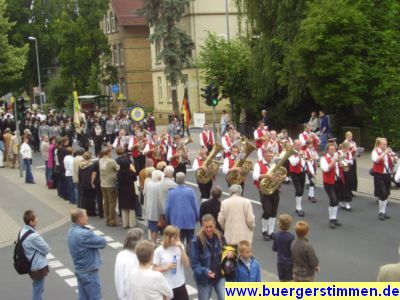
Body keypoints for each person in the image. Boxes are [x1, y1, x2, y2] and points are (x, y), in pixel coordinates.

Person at [67, 208, 107, 300]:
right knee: (95, 297)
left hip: (80, 269)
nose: (87, 217)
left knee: (83, 297)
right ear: (80, 219)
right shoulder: (84, 234)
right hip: (89, 270)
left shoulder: (71, 231)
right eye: (86, 216)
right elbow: (102, 242)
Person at [190, 214, 226, 300]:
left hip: (219, 276)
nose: (209, 229)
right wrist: (206, 272)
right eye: (206, 227)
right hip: (204, 279)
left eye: (211, 226)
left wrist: (229, 254)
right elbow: (195, 264)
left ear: (215, 225)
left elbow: (226, 253)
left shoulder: (220, 236)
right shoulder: (196, 240)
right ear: (202, 226)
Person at [153, 225, 190, 300]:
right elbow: (154, 269)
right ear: (168, 238)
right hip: (167, 286)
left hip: (180, 284)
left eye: (178, 237)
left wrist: (181, 249)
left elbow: (186, 263)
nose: (177, 239)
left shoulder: (180, 247)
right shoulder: (159, 251)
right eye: (175, 238)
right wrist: (167, 267)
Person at [20, 210, 50, 300]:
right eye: (35, 219)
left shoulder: (22, 231)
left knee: (37, 287)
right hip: (37, 266)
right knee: (38, 289)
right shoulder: (33, 236)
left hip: (30, 264)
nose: (37, 220)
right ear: (31, 222)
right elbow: (46, 249)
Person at [253, 148, 280, 241]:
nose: (270, 158)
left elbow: (278, 175)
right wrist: (266, 175)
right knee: (267, 211)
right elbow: (255, 176)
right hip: (264, 190)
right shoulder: (258, 164)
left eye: (271, 156)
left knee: (274, 211)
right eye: (268, 156)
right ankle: (264, 231)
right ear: (264, 155)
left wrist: (279, 178)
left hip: (275, 189)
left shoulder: (274, 164)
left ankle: (271, 231)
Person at [165, 172, 199, 245]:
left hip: (176, 220)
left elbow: (168, 208)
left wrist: (168, 219)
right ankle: (190, 255)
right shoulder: (190, 191)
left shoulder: (171, 192)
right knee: (191, 242)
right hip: (189, 220)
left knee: (178, 242)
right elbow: (195, 205)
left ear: (176, 180)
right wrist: (197, 217)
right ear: (184, 180)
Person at [114, 228, 144, 300]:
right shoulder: (132, 260)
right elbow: (129, 284)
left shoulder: (121, 254)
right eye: (142, 239)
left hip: (121, 294)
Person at [372, 137, 396, 220]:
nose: (385, 145)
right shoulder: (375, 151)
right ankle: (381, 212)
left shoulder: (388, 152)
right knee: (383, 193)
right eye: (384, 144)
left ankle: (383, 211)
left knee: (386, 194)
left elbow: (393, 161)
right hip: (379, 175)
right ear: (379, 144)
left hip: (387, 175)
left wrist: (394, 159)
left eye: (386, 144)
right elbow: (376, 160)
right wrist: (385, 153)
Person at [320, 143, 344, 229]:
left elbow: (339, 168)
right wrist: (334, 161)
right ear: (327, 150)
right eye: (331, 149)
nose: (333, 151)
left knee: (335, 200)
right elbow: (325, 169)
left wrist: (341, 165)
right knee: (333, 200)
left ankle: (334, 218)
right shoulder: (323, 158)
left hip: (337, 181)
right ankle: (331, 220)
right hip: (328, 182)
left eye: (334, 149)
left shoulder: (336, 157)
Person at [99, 146, 119, 226]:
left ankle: (107, 218)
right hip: (110, 183)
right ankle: (112, 220)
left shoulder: (100, 160)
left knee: (106, 201)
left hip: (103, 183)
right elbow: (118, 169)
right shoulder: (111, 161)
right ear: (108, 152)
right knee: (112, 202)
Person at [272, 214, 295, 281]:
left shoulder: (276, 235)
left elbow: (274, 248)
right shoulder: (291, 236)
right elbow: (293, 250)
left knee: (282, 279)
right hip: (290, 262)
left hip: (280, 261)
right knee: (289, 279)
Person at [117, 158, 138, 228]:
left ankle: (125, 223)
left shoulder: (119, 172)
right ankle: (132, 223)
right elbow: (135, 179)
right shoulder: (131, 173)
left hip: (121, 190)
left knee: (124, 207)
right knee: (131, 207)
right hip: (130, 190)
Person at [288, 140, 307, 217]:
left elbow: (305, 161)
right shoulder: (291, 153)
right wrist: (299, 155)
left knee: (301, 191)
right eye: (298, 145)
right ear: (294, 145)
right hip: (295, 173)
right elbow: (293, 163)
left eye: (300, 145)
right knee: (298, 190)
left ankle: (297, 207)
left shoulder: (302, 151)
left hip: (302, 172)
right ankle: (299, 208)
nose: (299, 147)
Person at [144, 169, 163, 243]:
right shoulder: (159, 185)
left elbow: (144, 193)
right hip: (156, 207)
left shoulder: (148, 183)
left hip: (149, 205)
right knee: (155, 225)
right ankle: (154, 241)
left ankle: (152, 239)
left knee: (151, 224)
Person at [79, 152, 96, 216]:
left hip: (83, 183)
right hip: (90, 183)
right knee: (92, 198)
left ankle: (85, 211)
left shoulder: (81, 165)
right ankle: (92, 211)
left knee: (84, 198)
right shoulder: (92, 165)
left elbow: (79, 175)